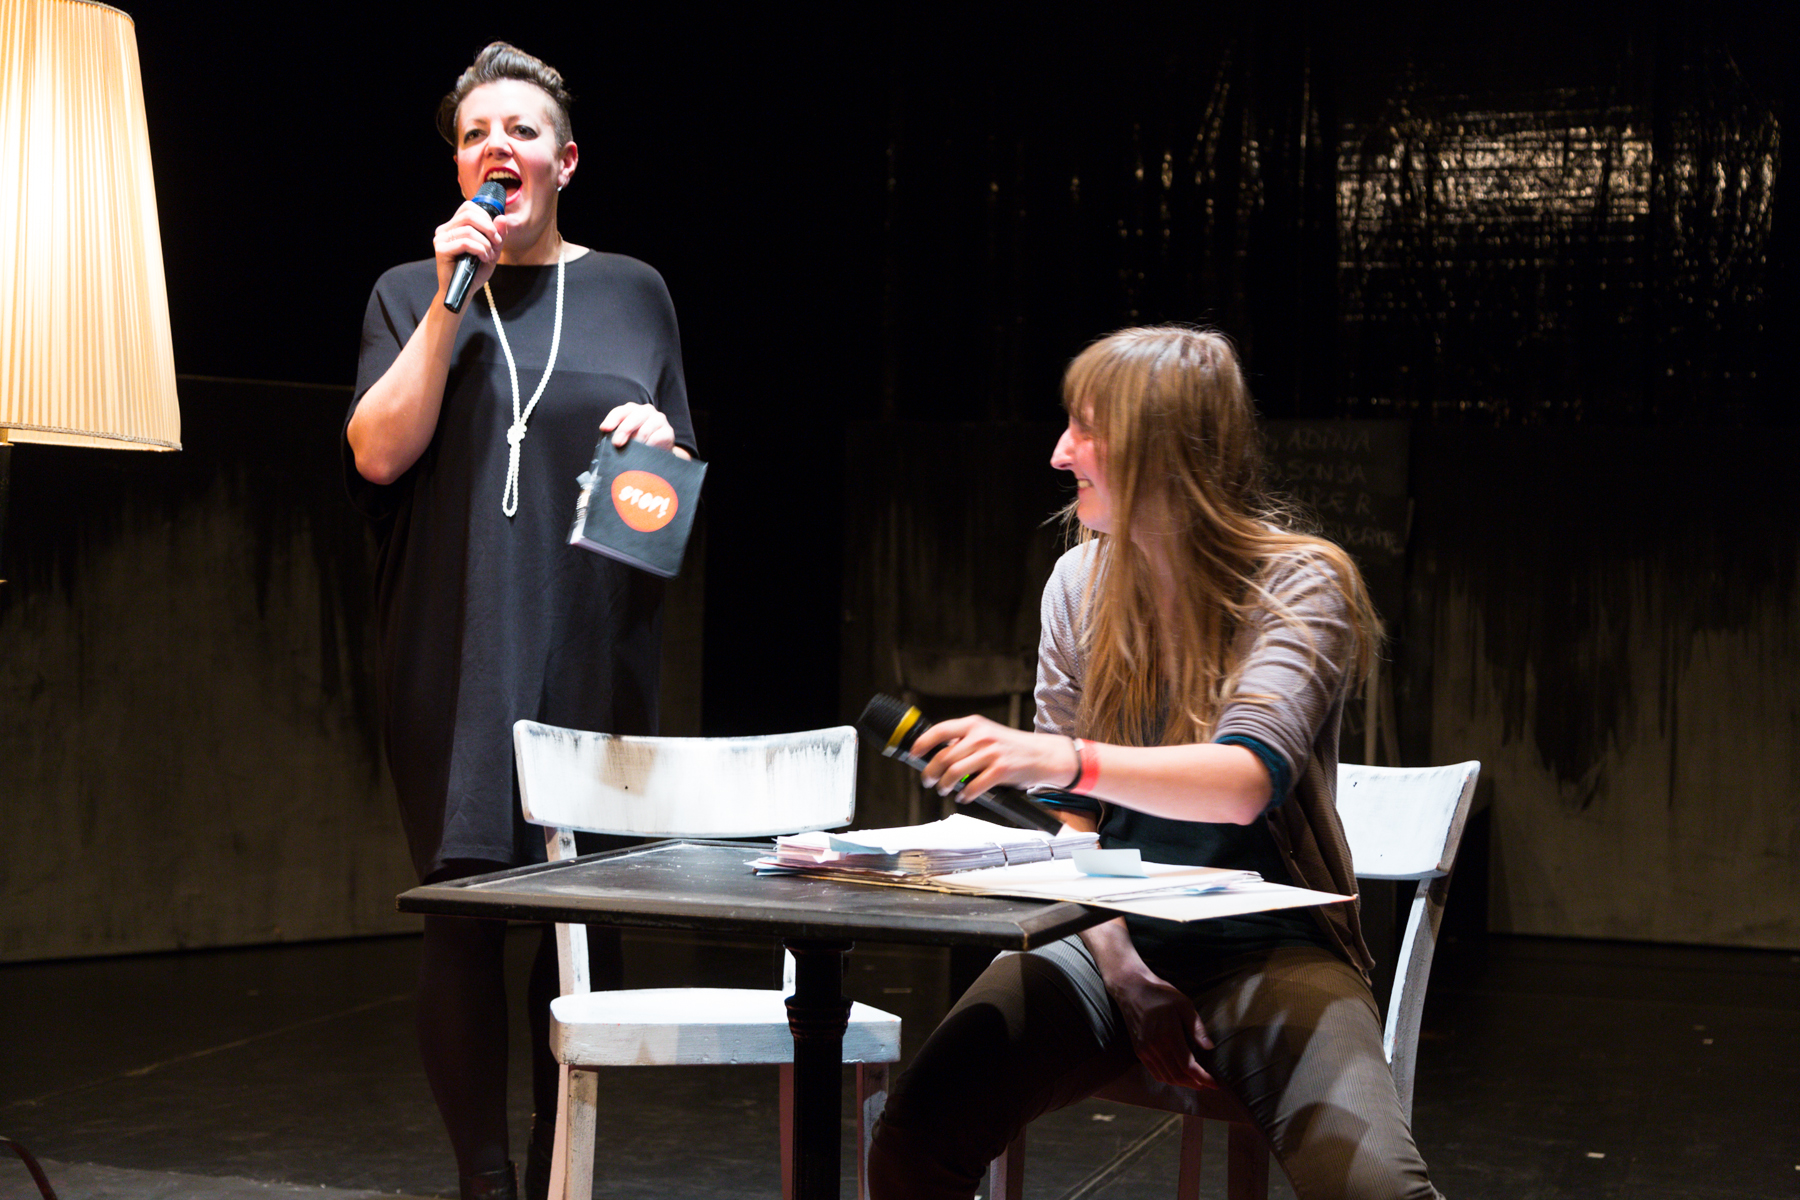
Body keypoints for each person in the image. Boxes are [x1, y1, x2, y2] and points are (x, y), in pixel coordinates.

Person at [866, 327, 1443, 1199]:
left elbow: (1246, 779)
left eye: (1087, 429)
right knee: (915, 1138)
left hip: (1266, 949)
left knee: (1376, 1189)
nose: (1060, 453)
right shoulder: (1078, 586)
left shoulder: (1299, 583)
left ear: (1162, 447)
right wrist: (1123, 971)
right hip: (1103, 937)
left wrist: (1060, 756)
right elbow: (1072, 828)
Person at [343, 42, 696, 1200]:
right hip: (455, 648)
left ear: (566, 160)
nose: (498, 147)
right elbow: (378, 452)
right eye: (475, 135)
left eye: (522, 131)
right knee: (464, 915)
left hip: (593, 640)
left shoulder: (635, 290)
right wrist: (452, 300)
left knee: (583, 920)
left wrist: (659, 444)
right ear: (459, 164)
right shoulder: (412, 289)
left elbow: (669, 501)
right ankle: (485, 1185)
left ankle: (561, 1175)